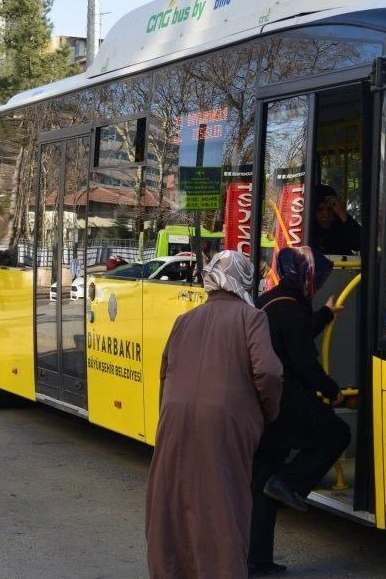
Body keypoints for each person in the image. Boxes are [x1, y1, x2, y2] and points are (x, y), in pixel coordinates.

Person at [145, 251, 284, 579]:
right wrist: (267, 412)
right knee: (223, 501)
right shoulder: (251, 318)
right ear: (243, 279)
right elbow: (269, 373)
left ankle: (174, 570)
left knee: (175, 498)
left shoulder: (185, 319)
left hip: (175, 419)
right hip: (225, 421)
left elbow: (165, 371)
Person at [249, 246, 350, 577]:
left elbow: (296, 334)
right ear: (305, 277)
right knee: (337, 434)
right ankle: (290, 484)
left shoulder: (268, 302)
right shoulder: (292, 312)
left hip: (261, 406)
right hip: (288, 404)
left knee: (261, 484)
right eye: (317, 278)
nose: (318, 285)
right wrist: (333, 391)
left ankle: (257, 561)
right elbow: (304, 362)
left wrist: (326, 314)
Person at [310, 185, 363, 256]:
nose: (326, 215)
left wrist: (342, 213)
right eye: (320, 210)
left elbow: (360, 245)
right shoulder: (306, 230)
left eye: (330, 209)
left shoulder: (342, 226)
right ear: (312, 211)